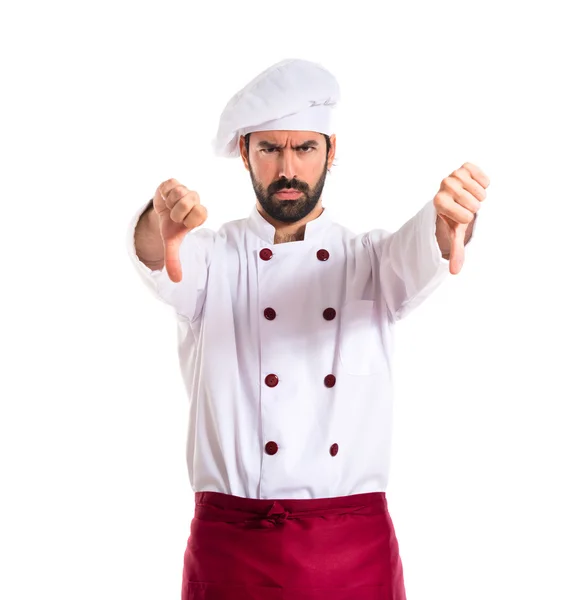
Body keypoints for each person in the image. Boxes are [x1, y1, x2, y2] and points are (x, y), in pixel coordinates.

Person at [126, 58, 489, 600]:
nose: (287, 168)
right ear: (245, 152)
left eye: (305, 148)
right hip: (231, 551)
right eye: (270, 149)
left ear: (331, 151)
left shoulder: (369, 262)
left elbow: (418, 252)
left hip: (353, 553)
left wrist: (446, 223)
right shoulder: (210, 260)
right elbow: (160, 260)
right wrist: (157, 224)